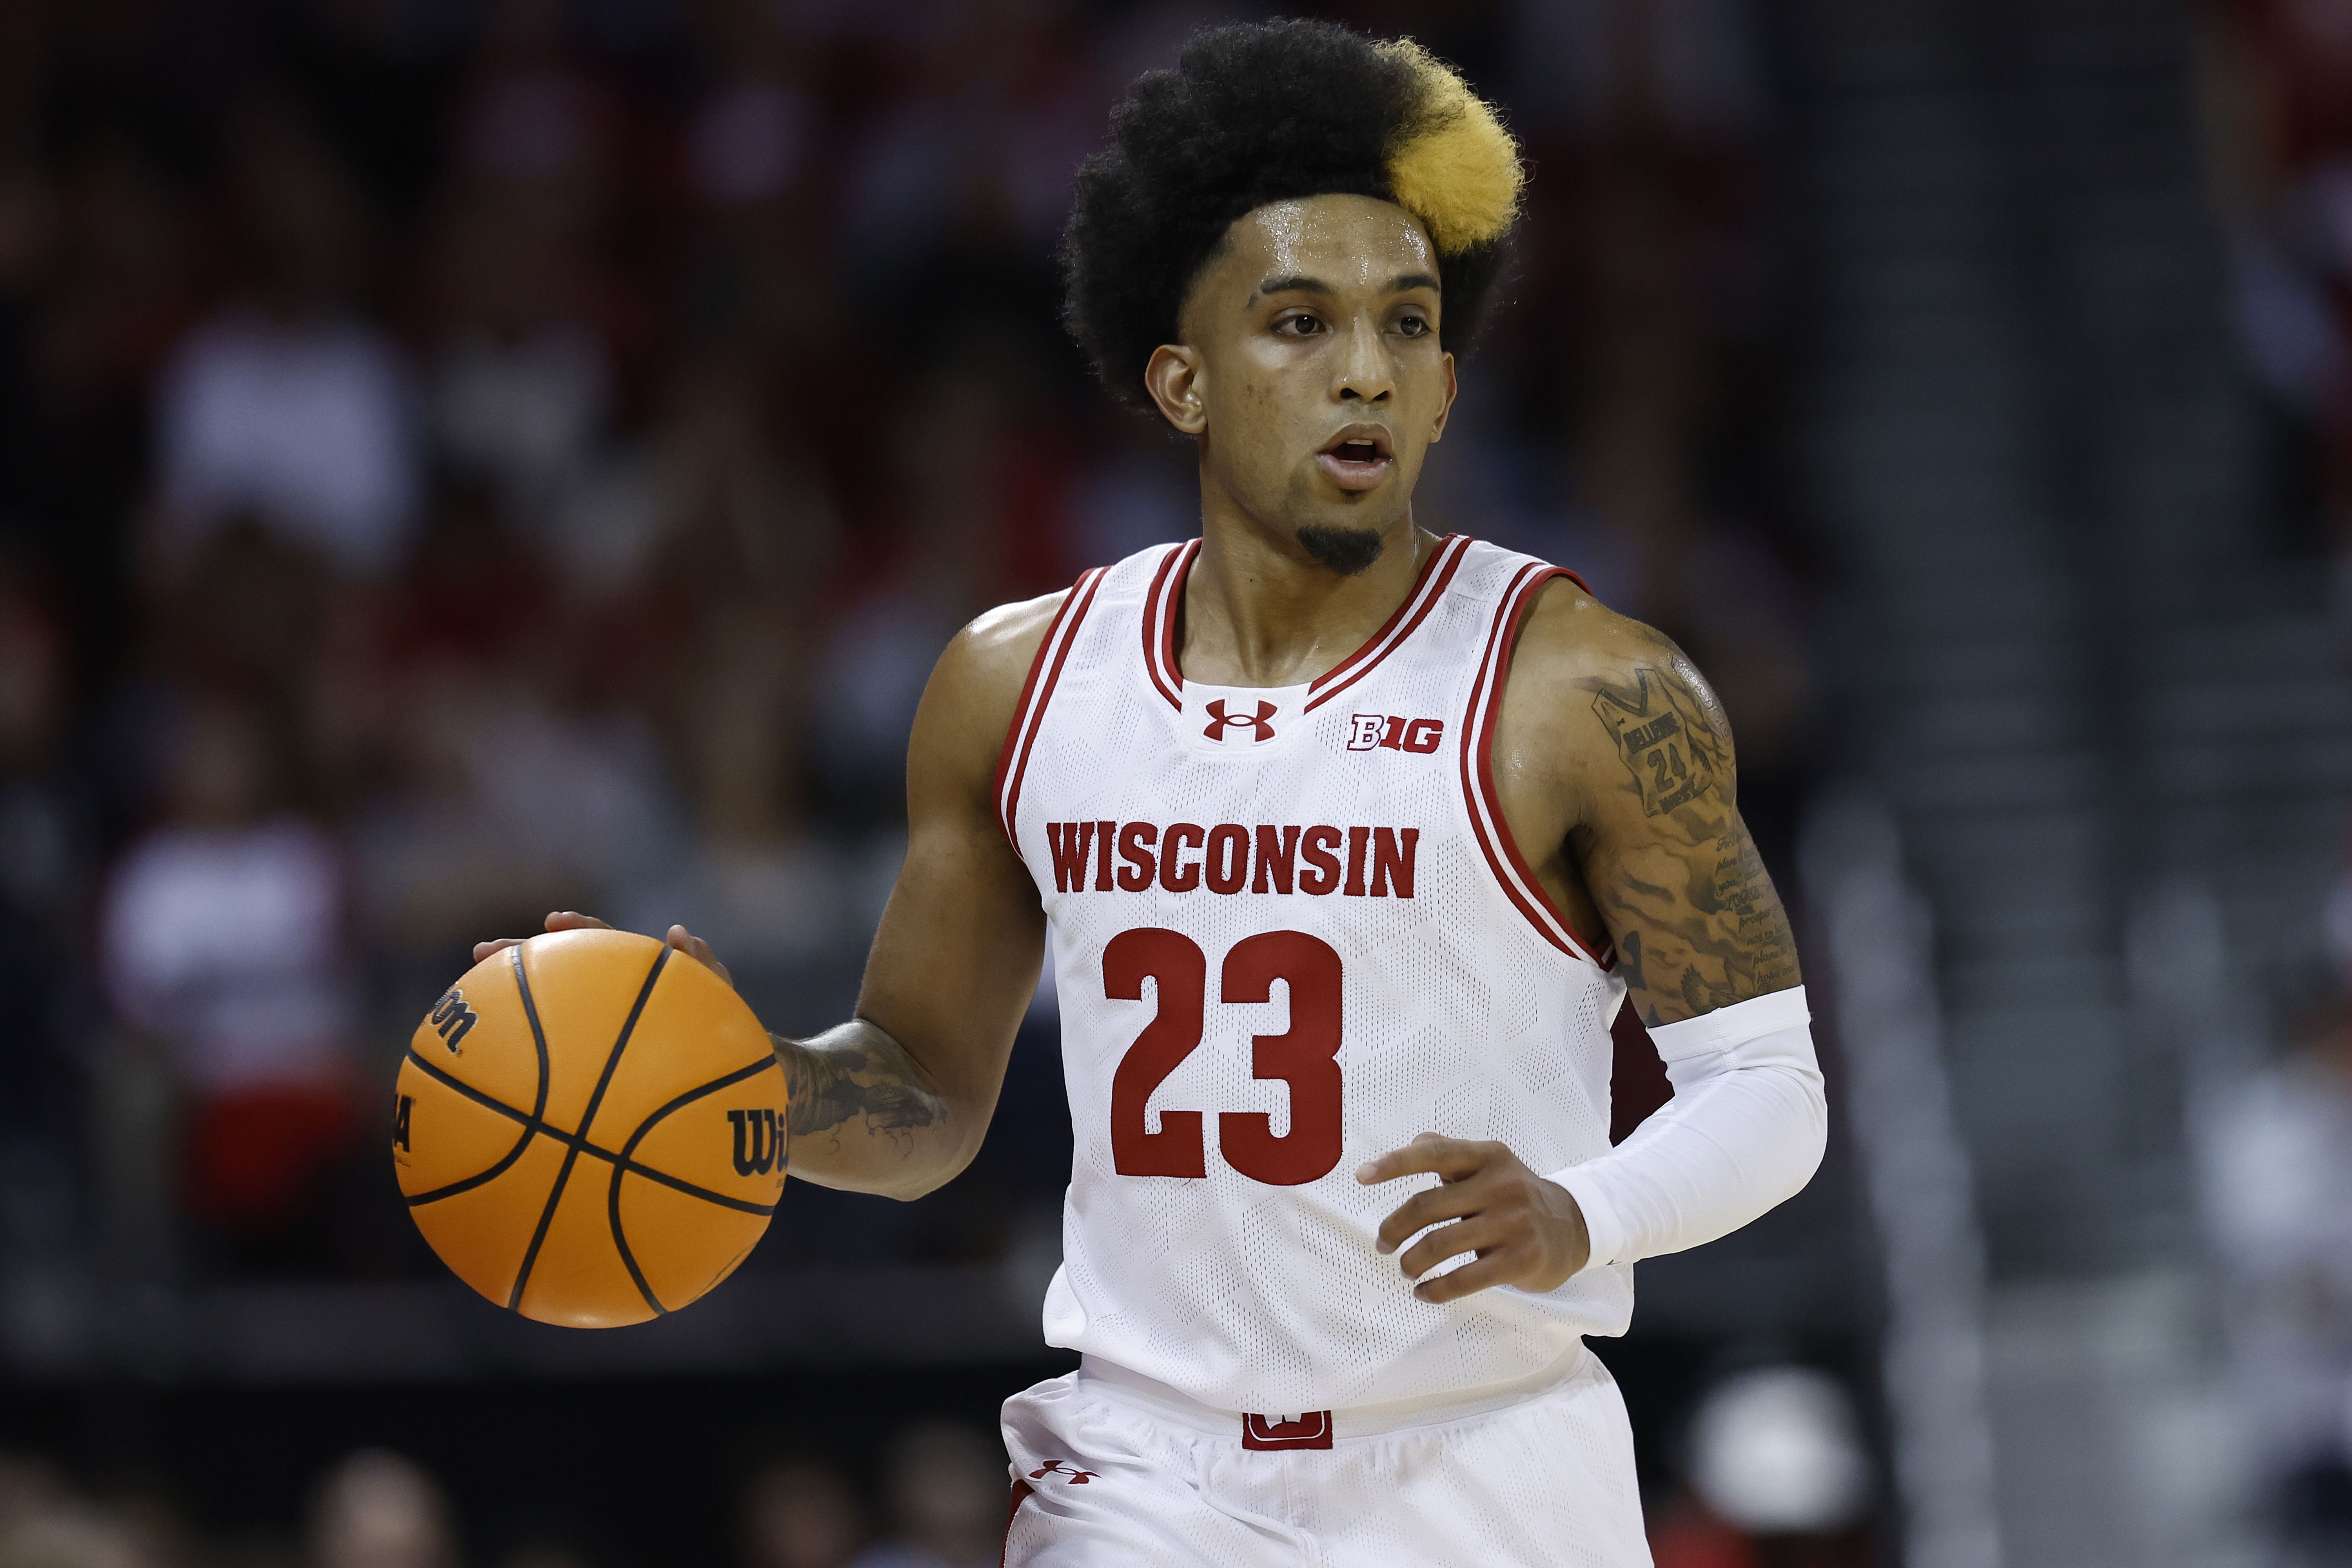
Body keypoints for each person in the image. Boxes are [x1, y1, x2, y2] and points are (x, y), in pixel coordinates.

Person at [480, 21, 1825, 1565]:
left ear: (1448, 384)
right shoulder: (1018, 681)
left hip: (1495, 1454)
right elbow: (926, 1088)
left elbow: (1769, 1094)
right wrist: (759, 1081)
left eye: (1404, 325)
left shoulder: (1589, 689)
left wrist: (1584, 1210)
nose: (1362, 370)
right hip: (1153, 1475)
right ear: (1180, 379)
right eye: (1300, 323)